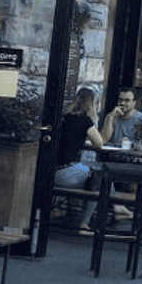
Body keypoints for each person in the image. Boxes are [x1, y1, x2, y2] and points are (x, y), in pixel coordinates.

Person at [54, 88, 107, 232]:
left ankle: (119, 207)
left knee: (93, 174)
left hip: (50, 172)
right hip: (66, 173)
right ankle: (84, 223)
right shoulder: (85, 121)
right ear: (92, 103)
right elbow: (99, 143)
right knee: (100, 177)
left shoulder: (63, 116)